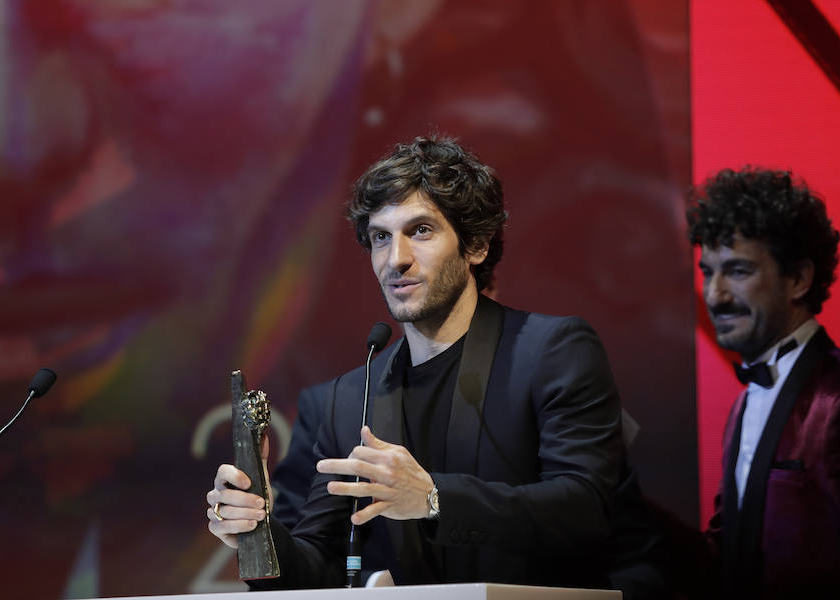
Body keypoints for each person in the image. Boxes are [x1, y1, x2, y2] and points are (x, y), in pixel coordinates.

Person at [206, 136, 657, 590]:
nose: (395, 259)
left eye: (420, 230)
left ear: (476, 245)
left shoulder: (550, 351)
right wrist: (257, 531)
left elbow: (585, 508)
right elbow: (320, 567)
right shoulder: (350, 398)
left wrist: (434, 499)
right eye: (381, 237)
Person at [672, 167, 840, 598]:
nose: (715, 294)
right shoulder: (745, 403)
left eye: (737, 270)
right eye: (708, 271)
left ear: (799, 279)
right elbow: (727, 560)